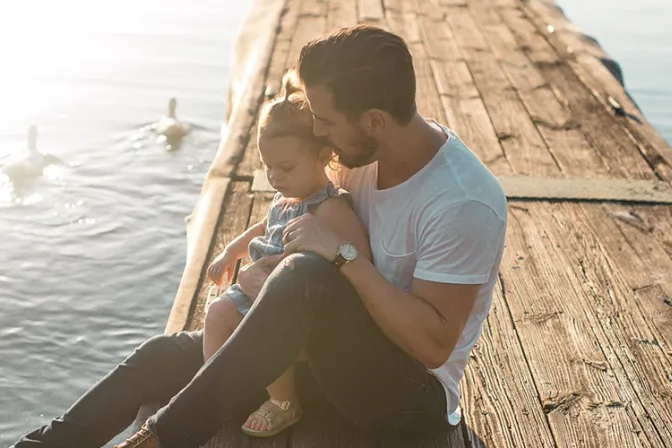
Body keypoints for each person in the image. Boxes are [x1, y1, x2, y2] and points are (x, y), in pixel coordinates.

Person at [13, 24, 507, 448]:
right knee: (161, 357)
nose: (317, 131)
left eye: (326, 121)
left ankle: (162, 438)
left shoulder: (462, 202)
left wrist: (342, 258)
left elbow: (432, 345)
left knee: (306, 274)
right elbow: (302, 218)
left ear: (374, 121)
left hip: (404, 395)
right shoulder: (362, 156)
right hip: (321, 353)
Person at [202, 70, 370, 437]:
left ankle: (284, 402)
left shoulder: (330, 208)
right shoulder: (288, 197)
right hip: (258, 286)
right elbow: (264, 227)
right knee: (216, 313)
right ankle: (215, 390)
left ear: (325, 155)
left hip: (292, 304)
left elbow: (355, 259)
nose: (275, 177)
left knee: (268, 335)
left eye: (286, 167)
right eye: (268, 168)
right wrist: (232, 251)